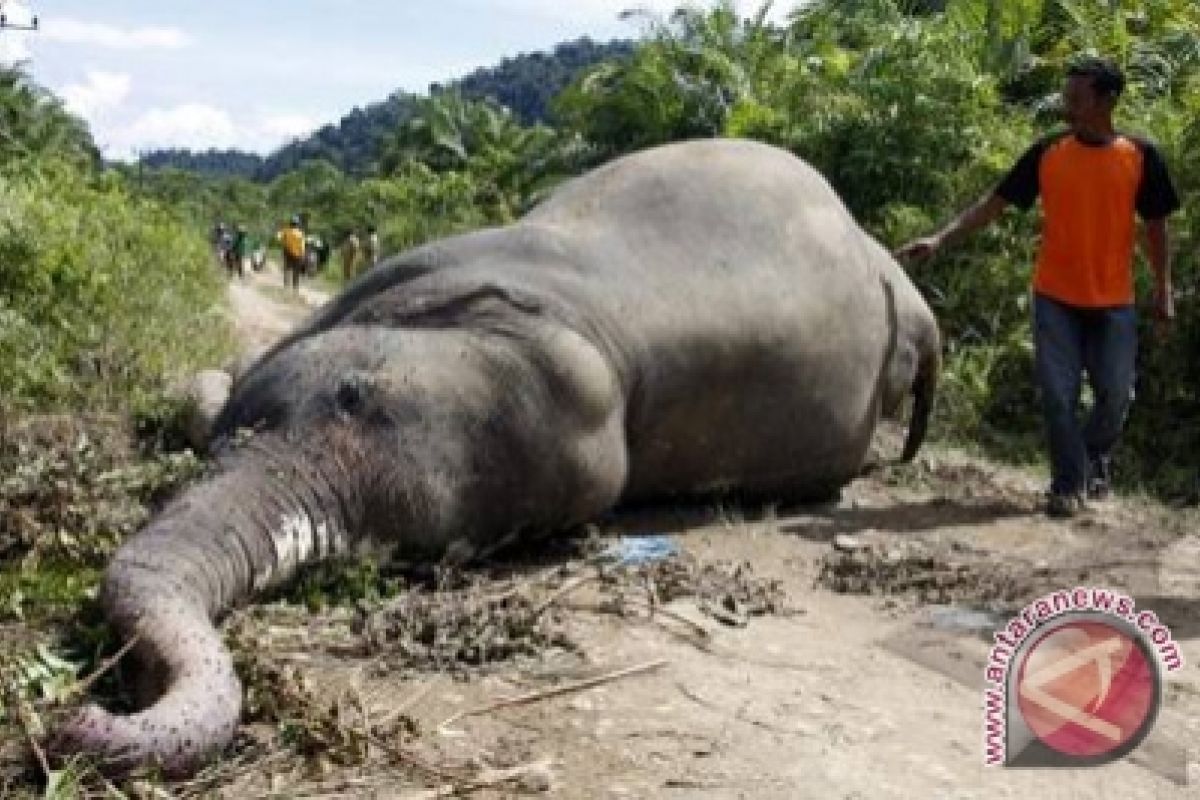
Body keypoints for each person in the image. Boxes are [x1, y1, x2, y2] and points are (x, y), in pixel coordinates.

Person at [896, 56, 1180, 519]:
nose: (1066, 106)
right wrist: (941, 238)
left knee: (1116, 396)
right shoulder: (1048, 153)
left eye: (1076, 98)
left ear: (1107, 101)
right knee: (1057, 396)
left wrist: (1163, 287)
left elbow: (1156, 228)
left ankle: (1090, 462)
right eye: (1065, 96)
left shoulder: (1141, 156)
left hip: (1114, 301)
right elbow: (995, 203)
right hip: (1055, 297)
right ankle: (1068, 486)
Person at [277, 215, 306, 291]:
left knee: (287, 269)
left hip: (287, 253)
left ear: (291, 223)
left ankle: (286, 286)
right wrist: (302, 255)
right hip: (297, 255)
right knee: (296, 271)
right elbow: (302, 246)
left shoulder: (286, 231)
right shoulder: (300, 233)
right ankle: (295, 288)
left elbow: (278, 238)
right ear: (298, 224)